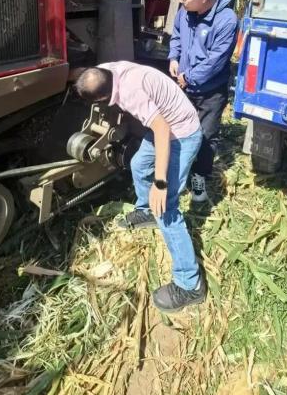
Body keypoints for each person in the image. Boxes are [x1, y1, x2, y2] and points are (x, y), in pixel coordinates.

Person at [74, 61, 206, 313]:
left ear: (101, 97)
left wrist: (160, 182)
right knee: (137, 165)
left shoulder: (131, 92)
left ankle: (190, 284)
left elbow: (162, 129)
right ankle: (146, 211)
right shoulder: (104, 71)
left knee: (167, 209)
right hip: (166, 124)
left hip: (181, 133)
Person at [168, 0, 238, 202]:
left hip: (210, 91)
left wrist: (189, 77)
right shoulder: (185, 11)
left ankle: (199, 177)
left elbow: (216, 60)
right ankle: (178, 171)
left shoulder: (226, 20)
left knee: (206, 135)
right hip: (184, 87)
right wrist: (174, 57)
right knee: (179, 130)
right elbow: (176, 35)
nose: (181, 1)